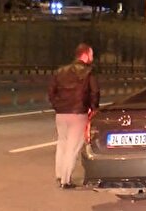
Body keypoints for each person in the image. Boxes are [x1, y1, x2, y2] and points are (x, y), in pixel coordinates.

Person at [47, 43, 100, 189]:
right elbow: (94, 93)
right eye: (91, 54)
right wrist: (93, 109)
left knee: (62, 143)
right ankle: (66, 180)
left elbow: (51, 92)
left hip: (61, 114)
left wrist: (57, 106)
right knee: (73, 147)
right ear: (85, 55)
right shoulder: (88, 73)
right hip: (79, 114)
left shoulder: (60, 71)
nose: (92, 57)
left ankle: (59, 174)